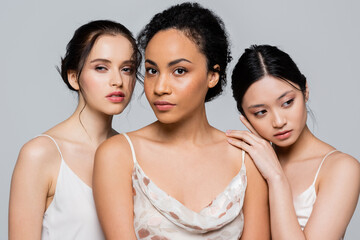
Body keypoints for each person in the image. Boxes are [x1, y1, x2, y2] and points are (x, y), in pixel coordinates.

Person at [93, 3, 270, 240]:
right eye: (152, 71)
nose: (160, 88)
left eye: (179, 71)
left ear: (212, 75)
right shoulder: (118, 155)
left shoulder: (245, 158)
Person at [9, 20, 141, 240]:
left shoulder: (134, 153)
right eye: (101, 68)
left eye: (127, 69)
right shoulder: (40, 154)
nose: (117, 81)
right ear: (73, 77)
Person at [227, 44, 360, 239]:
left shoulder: (341, 168)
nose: (279, 122)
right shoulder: (243, 164)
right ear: (245, 116)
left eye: (287, 102)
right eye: (261, 112)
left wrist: (276, 178)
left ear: (305, 90)